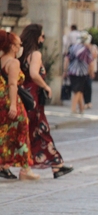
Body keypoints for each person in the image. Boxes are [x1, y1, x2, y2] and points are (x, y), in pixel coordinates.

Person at [19, 24, 73, 179]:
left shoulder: (22, 53)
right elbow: (34, 74)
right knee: (40, 130)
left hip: (25, 96)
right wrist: (46, 86)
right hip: (33, 97)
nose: (43, 39)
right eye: (42, 36)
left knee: (30, 131)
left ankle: (52, 165)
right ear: (36, 37)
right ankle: (55, 164)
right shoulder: (35, 54)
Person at [0, 30, 40, 180]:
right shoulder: (13, 62)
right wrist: (13, 106)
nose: (20, 47)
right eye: (18, 45)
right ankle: (25, 169)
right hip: (12, 101)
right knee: (22, 133)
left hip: (1, 102)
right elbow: (12, 85)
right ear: (11, 46)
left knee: (4, 134)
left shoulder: (1, 59)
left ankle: (4, 165)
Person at [64, 31, 94, 115]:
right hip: (81, 73)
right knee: (77, 91)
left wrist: (65, 70)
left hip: (72, 71)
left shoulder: (72, 47)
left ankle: (81, 108)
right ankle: (73, 109)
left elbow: (66, 59)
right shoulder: (86, 49)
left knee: (79, 90)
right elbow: (90, 62)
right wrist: (91, 72)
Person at [84, 39, 98, 109]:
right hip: (83, 69)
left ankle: (89, 101)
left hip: (91, 69)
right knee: (84, 87)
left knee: (89, 86)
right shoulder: (83, 48)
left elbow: (95, 56)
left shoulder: (94, 47)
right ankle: (85, 102)